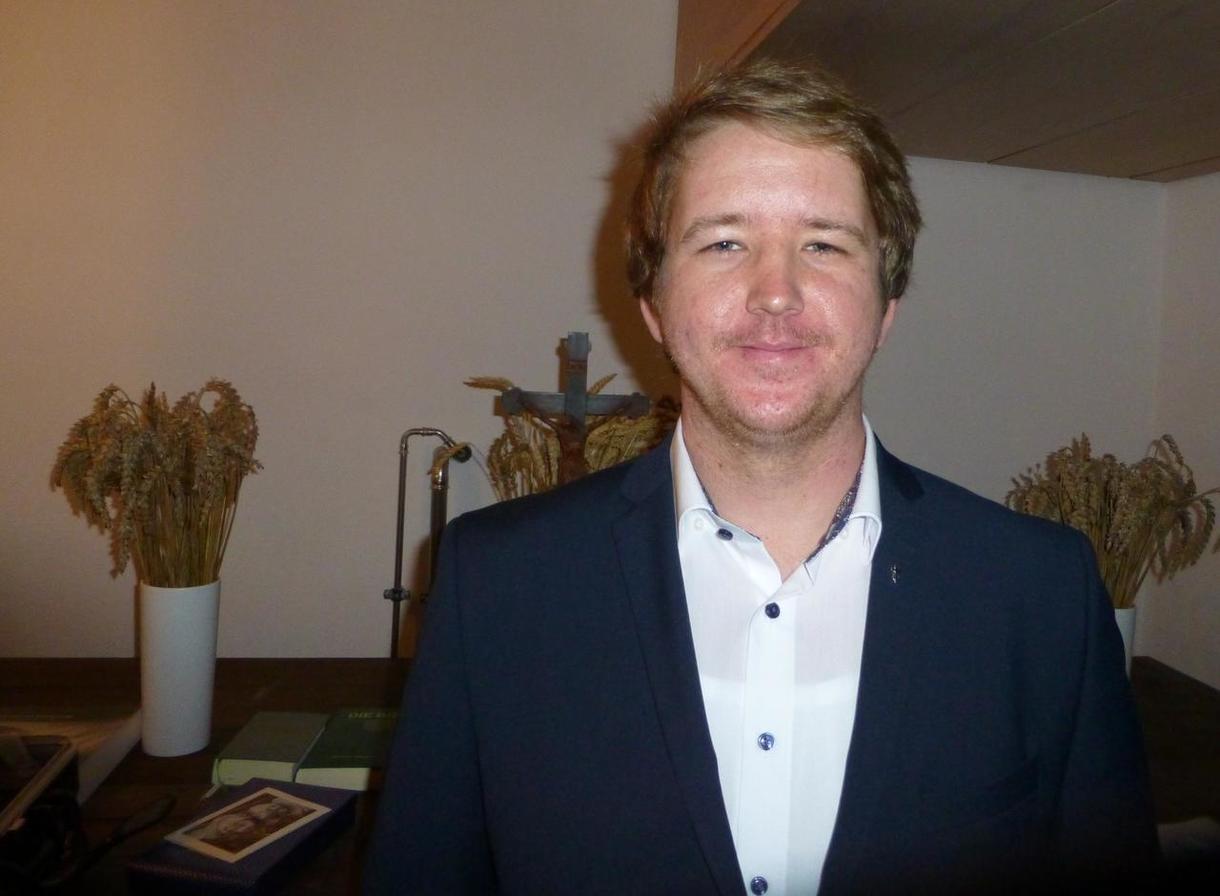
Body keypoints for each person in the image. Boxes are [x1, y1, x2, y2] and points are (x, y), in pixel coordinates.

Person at [365, 59, 1159, 895]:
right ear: (654, 304)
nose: (776, 292)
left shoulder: (1043, 593)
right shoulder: (495, 585)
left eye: (823, 243)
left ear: (886, 305)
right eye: (724, 243)